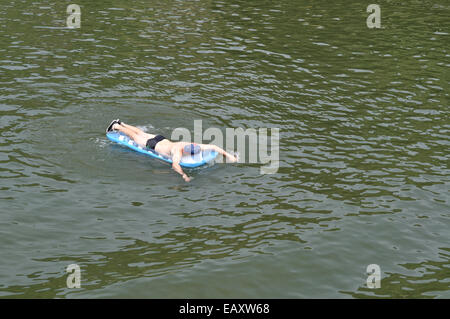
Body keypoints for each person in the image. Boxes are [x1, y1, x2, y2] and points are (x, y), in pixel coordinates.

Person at [106, 119, 237, 182]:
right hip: (152, 144)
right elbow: (175, 165)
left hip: (159, 138)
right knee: (134, 136)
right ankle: (117, 126)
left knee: (140, 132)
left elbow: (214, 147)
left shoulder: (189, 145)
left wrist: (229, 156)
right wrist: (184, 176)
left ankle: (121, 123)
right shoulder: (178, 151)